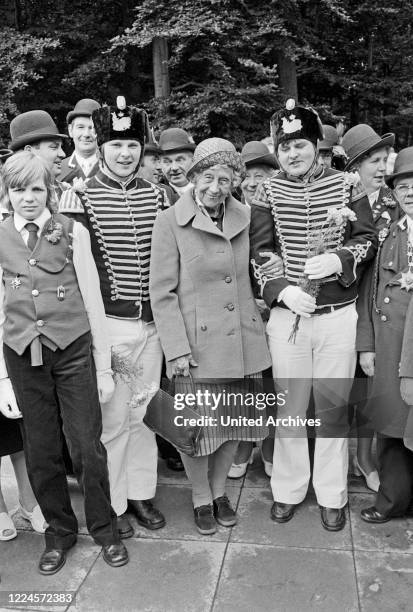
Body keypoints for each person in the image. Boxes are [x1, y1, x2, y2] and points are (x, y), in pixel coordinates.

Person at [249, 99, 377, 531]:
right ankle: (287, 488)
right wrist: (281, 290)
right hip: (289, 318)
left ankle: (332, 493)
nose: (293, 154)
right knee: (289, 408)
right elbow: (261, 249)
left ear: (316, 145)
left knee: (333, 408)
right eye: (285, 148)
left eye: (300, 145)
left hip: (338, 316)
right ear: (277, 150)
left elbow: (366, 238)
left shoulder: (347, 185)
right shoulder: (267, 191)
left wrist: (341, 259)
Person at [0, 151, 127, 573]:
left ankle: (105, 528)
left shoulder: (73, 232)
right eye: (19, 190)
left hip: (73, 351)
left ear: (50, 192)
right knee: (41, 452)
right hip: (21, 357)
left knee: (87, 447)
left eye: (36, 189)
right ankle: (59, 532)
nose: (28, 198)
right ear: (7, 194)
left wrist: (104, 368)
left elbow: (93, 301)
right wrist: (2, 379)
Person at [150, 137, 272, 535]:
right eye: (207, 176)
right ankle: (200, 495)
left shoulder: (247, 215)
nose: (215, 187)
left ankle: (220, 493)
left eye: (224, 178)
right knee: (198, 431)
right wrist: (177, 349)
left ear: (234, 181)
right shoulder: (170, 221)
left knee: (232, 427)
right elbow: (161, 294)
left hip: (242, 341)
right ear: (193, 177)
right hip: (197, 346)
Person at [59, 96, 167, 539]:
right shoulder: (79, 197)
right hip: (110, 327)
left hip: (153, 326)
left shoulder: (158, 195)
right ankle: (115, 501)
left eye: (133, 146)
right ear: (101, 147)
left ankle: (141, 492)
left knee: (144, 414)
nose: (125, 154)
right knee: (112, 422)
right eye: (116, 145)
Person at [357, 147, 413, 523]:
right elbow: (370, 290)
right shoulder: (394, 230)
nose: (409, 192)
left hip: (410, 353)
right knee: (391, 430)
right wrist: (367, 345)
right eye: (403, 185)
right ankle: (393, 501)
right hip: (389, 350)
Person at [342, 124, 399, 492]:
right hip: (342, 306)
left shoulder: (397, 205)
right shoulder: (341, 204)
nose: (381, 168)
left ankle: (365, 458)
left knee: (368, 390)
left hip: (378, 312)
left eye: (384, 161)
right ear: (355, 167)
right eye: (372, 161)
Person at [229, 140, 279, 478]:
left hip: (277, 309)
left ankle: (273, 446)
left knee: (275, 383)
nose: (252, 182)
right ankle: (245, 444)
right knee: (246, 383)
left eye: (260, 174)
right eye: (247, 175)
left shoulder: (281, 209)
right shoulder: (228, 212)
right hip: (241, 311)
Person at [9, 110, 69, 200]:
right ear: (28, 152)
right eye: (54, 147)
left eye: (61, 147)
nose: (63, 154)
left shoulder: (68, 193)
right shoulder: (5, 200)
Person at [59, 98, 101, 184]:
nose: (86, 134)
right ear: (70, 130)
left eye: (93, 128)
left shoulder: (113, 169)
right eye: (80, 127)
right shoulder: (58, 170)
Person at [159, 127, 195, 197]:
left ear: (193, 161)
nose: (174, 168)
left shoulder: (208, 190)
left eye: (179, 160)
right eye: (167, 162)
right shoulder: (156, 195)